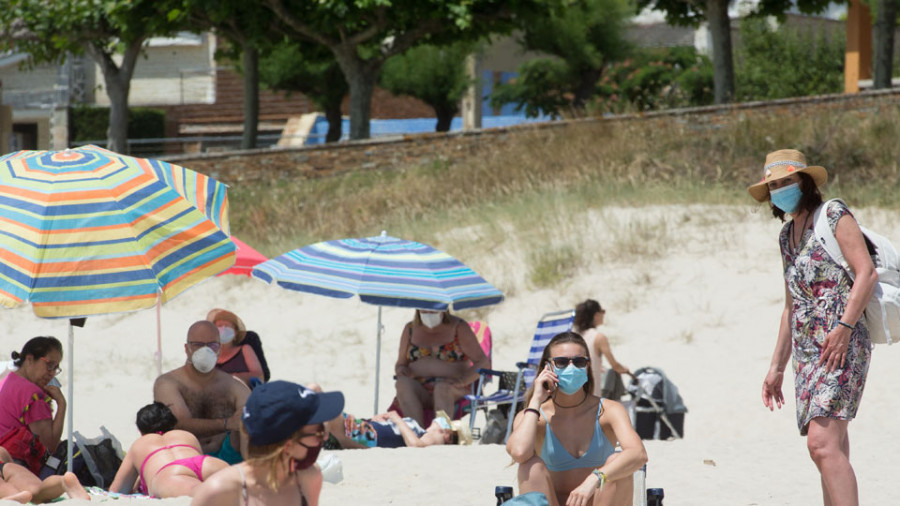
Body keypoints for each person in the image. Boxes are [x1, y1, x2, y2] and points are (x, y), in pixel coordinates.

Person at [750, 149, 876, 506]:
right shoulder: (786, 236)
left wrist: (844, 326)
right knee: (831, 446)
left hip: (842, 341)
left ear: (804, 182)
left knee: (820, 444)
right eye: (773, 185)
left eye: (786, 181)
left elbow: (866, 272)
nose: (780, 189)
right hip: (807, 353)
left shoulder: (833, 214)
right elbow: (792, 306)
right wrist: (775, 367)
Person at [506, 332, 647, 506]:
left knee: (618, 462)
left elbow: (638, 454)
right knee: (531, 466)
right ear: (547, 367)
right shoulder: (535, 416)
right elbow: (520, 453)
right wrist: (535, 400)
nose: (571, 368)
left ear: (587, 366)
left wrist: (595, 478)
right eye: (562, 362)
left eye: (579, 362)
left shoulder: (609, 410)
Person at [191, 381, 345, 506]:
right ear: (287, 444)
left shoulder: (308, 477)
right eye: (318, 432)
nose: (325, 437)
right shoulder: (220, 492)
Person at [154, 321, 251, 465]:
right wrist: (226, 424)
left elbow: (250, 421)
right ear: (187, 349)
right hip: (185, 457)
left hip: (227, 456)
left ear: (219, 349)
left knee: (247, 422)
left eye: (212, 345)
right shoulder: (168, 383)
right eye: (198, 345)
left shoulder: (234, 386)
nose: (206, 351)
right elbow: (179, 425)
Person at [109, 402, 229, 497]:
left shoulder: (139, 444)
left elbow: (117, 491)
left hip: (170, 474)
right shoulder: (186, 435)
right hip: (206, 464)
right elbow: (192, 465)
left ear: (141, 430)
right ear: (172, 423)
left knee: (200, 495)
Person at [394, 308, 489, 425]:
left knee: (442, 388)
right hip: (420, 389)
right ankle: (416, 432)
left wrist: (461, 381)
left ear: (443, 309)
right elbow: (401, 363)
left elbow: (483, 362)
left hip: (454, 389)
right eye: (424, 310)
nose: (428, 314)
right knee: (403, 384)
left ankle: (440, 434)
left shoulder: (458, 328)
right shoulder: (410, 329)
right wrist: (402, 370)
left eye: (432, 310)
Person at [0, 337, 67, 475]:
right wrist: (61, 405)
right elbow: (50, 445)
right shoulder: (33, 395)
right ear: (29, 360)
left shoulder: (6, 380)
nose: (52, 373)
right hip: (15, 465)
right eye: (49, 365)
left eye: (56, 368)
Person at [324, 409, 471, 449]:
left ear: (447, 434)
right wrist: (377, 419)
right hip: (367, 430)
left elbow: (415, 446)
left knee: (328, 410)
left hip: (369, 435)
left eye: (441, 422)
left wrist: (396, 418)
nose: (436, 420)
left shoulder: (434, 437)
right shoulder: (421, 431)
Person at [573, 300, 631, 399]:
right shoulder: (599, 337)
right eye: (602, 311)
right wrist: (624, 369)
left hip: (574, 390)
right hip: (592, 392)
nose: (603, 315)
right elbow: (615, 365)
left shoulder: (574, 336)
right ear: (596, 314)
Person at [0, 446, 90, 503]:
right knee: (38, 489)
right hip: (6, 467)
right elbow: (7, 458)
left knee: (6, 490)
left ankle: (13, 497)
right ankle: (63, 481)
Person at [206, 308, 268, 387]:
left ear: (236, 333)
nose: (224, 329)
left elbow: (259, 376)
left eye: (227, 326)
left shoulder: (245, 349)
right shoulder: (207, 354)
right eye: (220, 326)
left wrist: (233, 377)